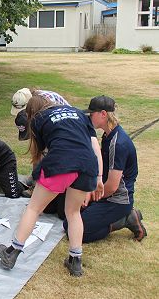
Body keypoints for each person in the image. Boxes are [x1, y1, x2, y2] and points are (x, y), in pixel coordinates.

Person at [0, 95, 104, 277]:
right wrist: (98, 175)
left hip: (61, 163)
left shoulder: (39, 119)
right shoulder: (78, 112)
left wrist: (38, 178)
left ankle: (11, 252)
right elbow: (94, 145)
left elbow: (40, 154)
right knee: (73, 212)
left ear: (31, 113)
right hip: (88, 165)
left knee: (33, 208)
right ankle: (75, 261)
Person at [63, 95, 147, 242]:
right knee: (69, 219)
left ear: (103, 114)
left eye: (92, 113)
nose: (89, 117)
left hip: (117, 201)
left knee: (75, 232)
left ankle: (126, 219)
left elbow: (113, 187)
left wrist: (91, 195)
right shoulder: (108, 136)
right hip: (106, 194)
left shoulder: (118, 143)